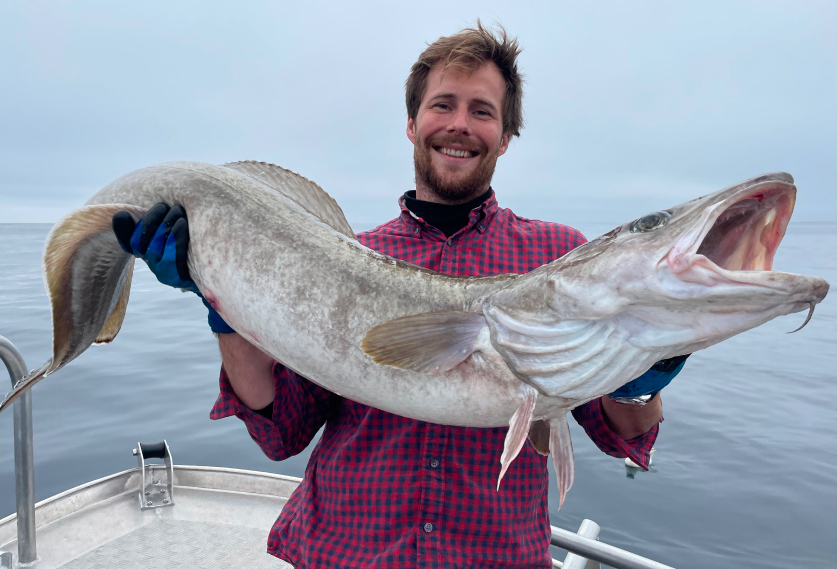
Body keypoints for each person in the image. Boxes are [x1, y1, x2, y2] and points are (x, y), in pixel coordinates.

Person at [113, 22, 687, 569]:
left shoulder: (559, 261)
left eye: (482, 111)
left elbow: (622, 437)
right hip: (343, 552)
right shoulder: (342, 257)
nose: (460, 124)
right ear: (412, 123)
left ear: (506, 137)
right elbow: (279, 429)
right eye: (443, 105)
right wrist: (226, 306)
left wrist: (641, 372)